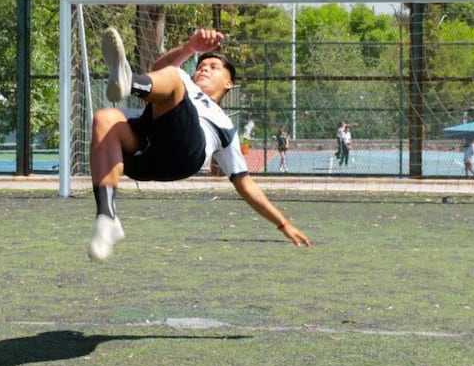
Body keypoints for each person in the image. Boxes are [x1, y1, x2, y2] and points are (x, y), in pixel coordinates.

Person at [87, 27, 311, 261]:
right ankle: (107, 218)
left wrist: (283, 223)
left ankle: (130, 82)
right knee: (104, 118)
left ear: (229, 83)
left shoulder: (225, 125)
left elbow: (244, 183)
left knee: (173, 77)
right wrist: (189, 48)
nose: (204, 68)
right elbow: (158, 69)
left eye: (214, 67)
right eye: (201, 65)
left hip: (183, 156)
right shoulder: (184, 80)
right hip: (144, 153)